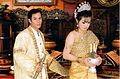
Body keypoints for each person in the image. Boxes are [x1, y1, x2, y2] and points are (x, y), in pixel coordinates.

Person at [13, 9, 68, 79]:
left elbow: (43, 53)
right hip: (29, 74)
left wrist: (60, 69)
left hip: (41, 71)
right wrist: (34, 66)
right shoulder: (23, 35)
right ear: (30, 20)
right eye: (35, 19)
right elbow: (18, 55)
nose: (38, 21)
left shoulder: (40, 34)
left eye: (39, 18)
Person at [63, 1, 102, 79]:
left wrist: (97, 58)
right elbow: (65, 55)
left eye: (88, 23)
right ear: (77, 21)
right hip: (77, 71)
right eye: (83, 22)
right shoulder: (72, 35)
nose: (86, 25)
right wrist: (81, 60)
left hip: (91, 69)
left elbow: (92, 53)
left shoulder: (91, 34)